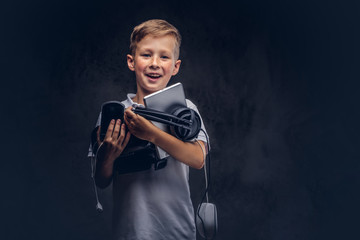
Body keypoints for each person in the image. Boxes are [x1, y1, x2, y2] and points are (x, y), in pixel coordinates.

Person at [89, 19, 209, 240]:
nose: (155, 63)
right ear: (131, 61)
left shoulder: (185, 108)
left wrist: (151, 134)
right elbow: (102, 181)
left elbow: (198, 159)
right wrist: (107, 154)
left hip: (177, 231)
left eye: (164, 56)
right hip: (131, 231)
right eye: (146, 55)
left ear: (175, 66)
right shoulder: (114, 113)